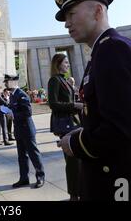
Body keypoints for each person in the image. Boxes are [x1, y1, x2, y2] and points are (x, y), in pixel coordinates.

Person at [54, 0, 131, 200]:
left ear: (98, 11)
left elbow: (121, 130)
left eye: (71, 14)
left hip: (122, 182)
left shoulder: (113, 49)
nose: (66, 24)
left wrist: (76, 143)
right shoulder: (101, 52)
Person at [47, 53, 82, 201]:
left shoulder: (65, 80)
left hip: (73, 121)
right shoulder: (54, 80)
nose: (68, 64)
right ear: (58, 64)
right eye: (65, 62)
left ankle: (80, 191)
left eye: (68, 62)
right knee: (72, 161)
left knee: (77, 160)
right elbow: (53, 104)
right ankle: (74, 195)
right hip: (65, 124)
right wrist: (74, 105)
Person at [4, 74, 45, 189]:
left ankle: (40, 176)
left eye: (7, 82)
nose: (6, 84)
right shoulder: (12, 96)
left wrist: (13, 114)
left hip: (27, 129)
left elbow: (28, 112)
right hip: (18, 129)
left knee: (33, 154)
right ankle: (24, 178)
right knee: (21, 156)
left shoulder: (22, 95)